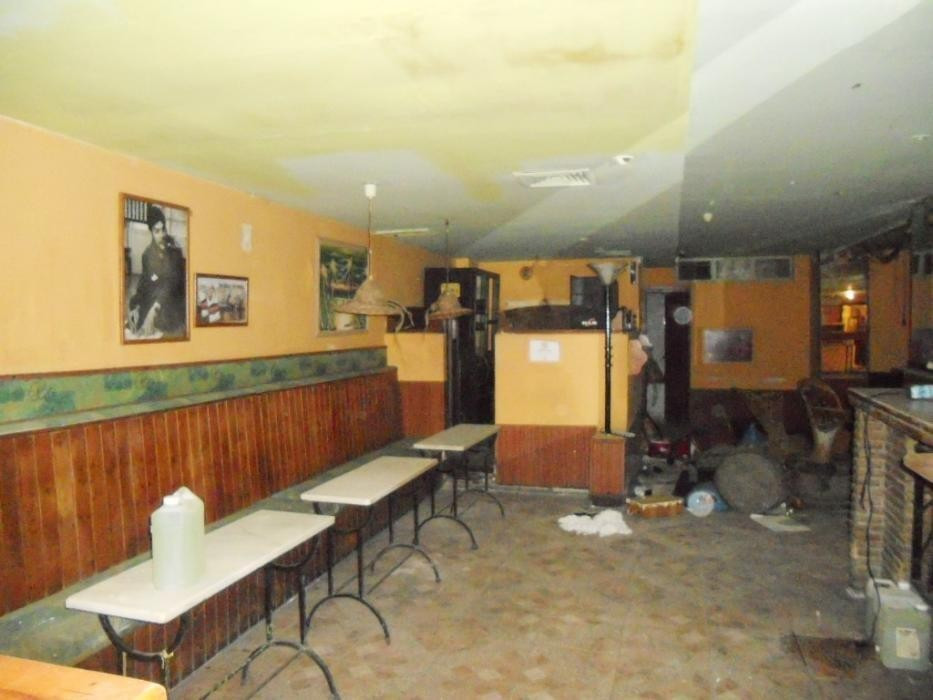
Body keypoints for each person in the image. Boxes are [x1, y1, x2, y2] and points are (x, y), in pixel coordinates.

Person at [128, 205, 186, 337]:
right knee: (135, 308)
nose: (161, 234)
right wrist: (136, 304)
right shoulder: (147, 254)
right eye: (157, 231)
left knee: (161, 319)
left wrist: (154, 309)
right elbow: (145, 281)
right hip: (156, 294)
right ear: (151, 232)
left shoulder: (175, 250)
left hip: (171, 296)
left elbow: (172, 283)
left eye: (163, 229)